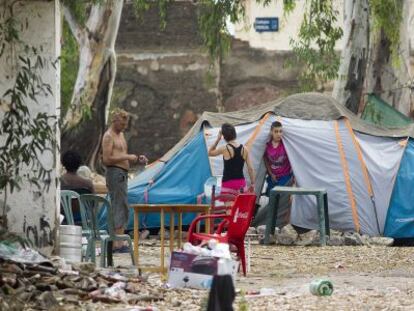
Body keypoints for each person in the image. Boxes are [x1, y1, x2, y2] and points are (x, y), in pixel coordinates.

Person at [102, 108, 148, 252]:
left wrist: (136, 159)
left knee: (123, 206)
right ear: (114, 121)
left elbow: (121, 154)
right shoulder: (108, 136)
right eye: (122, 124)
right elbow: (107, 159)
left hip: (123, 173)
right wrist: (127, 157)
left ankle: (118, 242)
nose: (124, 127)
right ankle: (117, 244)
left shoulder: (120, 135)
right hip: (114, 174)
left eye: (125, 124)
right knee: (118, 206)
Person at [208, 123, 255, 194]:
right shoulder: (244, 149)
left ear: (224, 136)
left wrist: (218, 139)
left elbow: (210, 152)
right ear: (234, 133)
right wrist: (252, 184)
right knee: (240, 204)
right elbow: (250, 169)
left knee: (229, 205)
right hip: (240, 183)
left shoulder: (224, 148)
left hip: (227, 183)